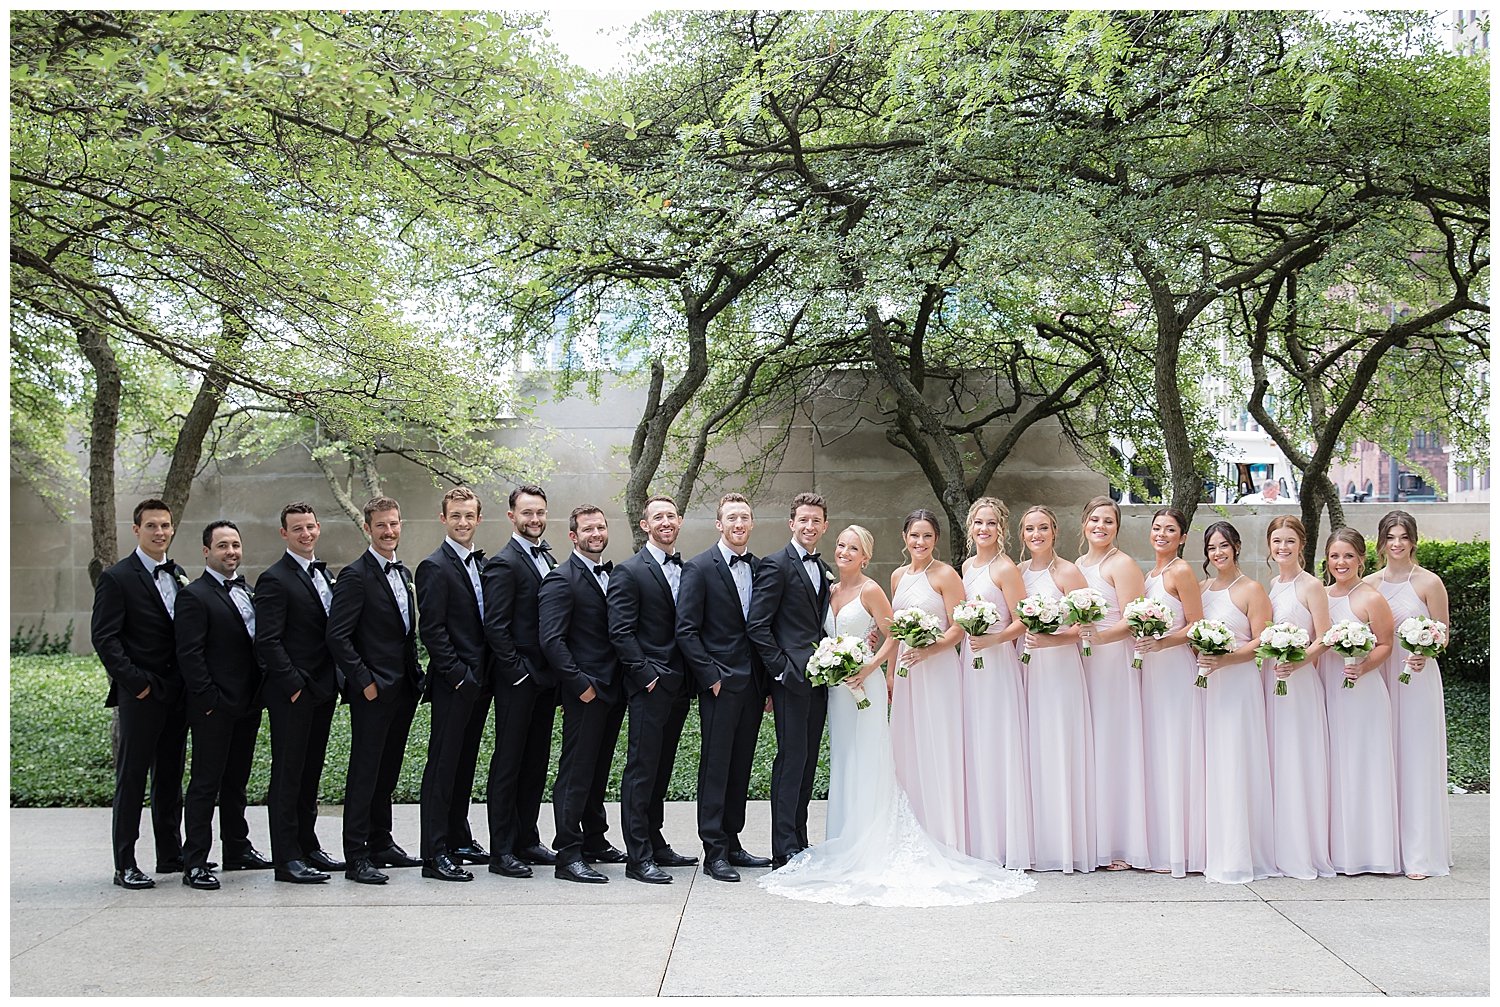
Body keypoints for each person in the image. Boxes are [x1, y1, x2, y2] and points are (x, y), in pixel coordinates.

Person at [759, 525, 1035, 907]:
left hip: (870, 681)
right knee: (844, 757)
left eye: (853, 547)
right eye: (840, 545)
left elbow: (891, 634)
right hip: (839, 688)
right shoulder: (832, 589)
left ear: (866, 556)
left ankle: (875, 836)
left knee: (871, 756)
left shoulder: (875, 588)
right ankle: (845, 836)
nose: (844, 552)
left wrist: (873, 668)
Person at [92, 498, 189, 889]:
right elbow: (104, 637)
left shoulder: (178, 572)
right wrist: (138, 683)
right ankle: (125, 863)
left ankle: (170, 854)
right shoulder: (117, 578)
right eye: (152, 526)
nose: (160, 532)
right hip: (142, 694)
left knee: (170, 774)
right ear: (137, 530)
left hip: (177, 693)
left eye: (165, 525)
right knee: (132, 778)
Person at [326, 496, 423, 884]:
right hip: (373, 691)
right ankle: (357, 855)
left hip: (402, 689)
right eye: (381, 525)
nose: (389, 531)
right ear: (367, 528)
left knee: (388, 770)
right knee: (365, 773)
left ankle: (382, 843)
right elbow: (338, 637)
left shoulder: (402, 572)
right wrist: (364, 681)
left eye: (394, 523)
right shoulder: (355, 575)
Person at [676, 493, 772, 882]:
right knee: (716, 767)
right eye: (731, 518)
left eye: (744, 518)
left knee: (740, 766)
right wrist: (710, 677)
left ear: (751, 524)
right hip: (719, 684)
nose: (738, 524)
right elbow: (686, 629)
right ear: (719, 524)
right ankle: (713, 850)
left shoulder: (762, 568)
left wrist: (765, 684)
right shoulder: (699, 568)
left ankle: (733, 842)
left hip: (752, 685)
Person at [608, 496, 699, 883]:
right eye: (657, 516)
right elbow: (620, 631)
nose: (665, 522)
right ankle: (638, 855)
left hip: (681, 684)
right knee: (642, 769)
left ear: (679, 522)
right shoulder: (629, 572)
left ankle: (656, 840)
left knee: (662, 768)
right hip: (650, 685)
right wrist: (647, 676)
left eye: (671, 516)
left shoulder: (690, 569)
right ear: (645, 525)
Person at [174, 520, 270, 890]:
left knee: (236, 781)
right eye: (222, 546)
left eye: (235, 545)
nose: (231, 552)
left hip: (248, 702)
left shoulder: (247, 590)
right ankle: (195, 860)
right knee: (205, 783)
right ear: (206, 552)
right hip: (214, 706)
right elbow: (190, 655)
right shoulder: (194, 596)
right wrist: (211, 700)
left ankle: (237, 847)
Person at [254, 502, 344, 884]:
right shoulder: (274, 579)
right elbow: (267, 641)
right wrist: (293, 686)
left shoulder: (323, 574)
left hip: (322, 690)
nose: (305, 534)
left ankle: (308, 846)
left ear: (318, 528)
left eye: (310, 527)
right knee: (288, 776)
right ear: (284, 534)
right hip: (293, 693)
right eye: (297, 529)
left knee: (310, 775)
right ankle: (286, 857)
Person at [539, 505, 628, 883]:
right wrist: (582, 686)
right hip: (587, 691)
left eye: (601, 526)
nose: (596, 532)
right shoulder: (561, 579)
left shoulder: (613, 574)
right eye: (587, 528)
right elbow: (552, 641)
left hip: (613, 689)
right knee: (575, 772)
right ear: (573, 536)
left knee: (597, 769)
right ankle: (568, 853)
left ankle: (594, 839)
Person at [746, 492, 832, 868]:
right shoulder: (775, 565)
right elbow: (757, 625)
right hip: (790, 679)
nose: (810, 526)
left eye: (816, 521)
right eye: (803, 520)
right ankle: (783, 846)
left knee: (809, 759)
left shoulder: (824, 567)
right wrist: (779, 670)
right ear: (791, 523)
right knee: (791, 758)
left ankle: (800, 836)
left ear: (824, 526)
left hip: (820, 679)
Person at [480, 484, 560, 879]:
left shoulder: (548, 556)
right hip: (518, 681)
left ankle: (528, 838)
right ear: (512, 516)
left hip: (547, 680)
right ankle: (503, 849)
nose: (535, 519)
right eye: (527, 513)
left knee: (535, 763)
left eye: (540, 512)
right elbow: (495, 628)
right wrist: (520, 672)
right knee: (509, 764)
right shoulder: (504, 563)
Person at [1366, 511, 1451, 880]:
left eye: (1403, 537)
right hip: (1379, 674)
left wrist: (1427, 649)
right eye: (1390, 537)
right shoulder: (1369, 584)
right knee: (1384, 759)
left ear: (1413, 540)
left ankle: (1419, 853)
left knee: (1414, 758)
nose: (1397, 544)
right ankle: (1383, 848)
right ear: (1381, 542)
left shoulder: (1429, 583)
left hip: (1416, 677)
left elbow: (1443, 632)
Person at [415, 486, 492, 882]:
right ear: (443, 519)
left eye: (469, 516)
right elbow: (433, 630)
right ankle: (435, 852)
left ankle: (459, 837)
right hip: (454, 683)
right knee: (443, 767)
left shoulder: (480, 564)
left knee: (463, 765)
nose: (463, 522)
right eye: (456, 516)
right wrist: (459, 675)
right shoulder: (433, 566)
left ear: (478, 519)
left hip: (480, 683)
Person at [1194, 521, 1276, 884]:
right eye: (1212, 548)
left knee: (1236, 761)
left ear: (1237, 547)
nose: (1218, 553)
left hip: (1239, 684)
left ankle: (1241, 852)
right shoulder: (1200, 590)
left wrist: (1225, 659)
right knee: (1212, 764)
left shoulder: (1252, 589)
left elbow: (1262, 641)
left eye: (1224, 546)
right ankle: (1212, 846)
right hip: (1208, 686)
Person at [1017, 505, 1096, 873]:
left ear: (1054, 532)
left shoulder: (1068, 572)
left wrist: (1049, 640)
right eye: (1030, 529)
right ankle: (1036, 840)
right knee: (1033, 751)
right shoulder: (1017, 573)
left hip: (1061, 670)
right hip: (1027, 670)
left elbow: (1084, 629)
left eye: (1043, 528)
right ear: (1022, 535)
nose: (1037, 535)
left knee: (1060, 747)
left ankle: (1065, 843)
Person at [1075, 496, 1150, 872]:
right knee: (1089, 747)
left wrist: (1099, 638)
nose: (1100, 527)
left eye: (1108, 521)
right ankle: (1091, 836)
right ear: (1084, 523)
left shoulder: (1122, 564)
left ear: (1117, 527)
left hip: (1112, 662)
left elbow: (1134, 619)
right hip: (1082, 664)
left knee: (1113, 745)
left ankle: (1120, 842)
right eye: (1094, 519)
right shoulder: (1076, 566)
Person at [958, 497, 1032, 871]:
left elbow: (1022, 621)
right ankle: (976, 834)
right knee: (974, 742)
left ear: (1001, 529)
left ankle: (1003, 839)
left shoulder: (1005, 568)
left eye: (990, 523)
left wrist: (995, 638)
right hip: (969, 663)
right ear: (970, 528)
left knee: (997, 742)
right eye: (977, 523)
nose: (983, 529)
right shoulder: (967, 567)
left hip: (998, 662)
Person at [888, 508, 968, 849]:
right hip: (908, 672)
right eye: (915, 535)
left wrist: (931, 648)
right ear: (905, 538)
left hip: (938, 669)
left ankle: (944, 831)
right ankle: (912, 823)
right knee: (908, 743)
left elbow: (959, 628)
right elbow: (893, 631)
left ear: (936, 539)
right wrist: (891, 674)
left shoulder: (946, 575)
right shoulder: (897, 577)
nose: (920, 542)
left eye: (927, 536)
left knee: (939, 740)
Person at [1322, 528, 1399, 875]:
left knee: (1362, 764)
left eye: (1349, 556)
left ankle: (1372, 850)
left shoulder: (1370, 597)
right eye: (1335, 556)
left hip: (1362, 691)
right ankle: (1338, 849)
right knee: (1333, 765)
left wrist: (1364, 666)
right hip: (1326, 686)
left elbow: (1385, 644)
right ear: (1327, 559)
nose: (1341, 562)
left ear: (1362, 560)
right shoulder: (1321, 596)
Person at [1136, 507, 1206, 878]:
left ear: (1182, 537)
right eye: (1157, 528)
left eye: (1170, 530)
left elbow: (1196, 625)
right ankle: (1159, 843)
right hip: (1150, 673)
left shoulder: (1180, 571)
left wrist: (1163, 644)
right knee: (1156, 753)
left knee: (1176, 752)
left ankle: (1181, 849)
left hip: (1174, 669)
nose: (1162, 534)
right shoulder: (1149, 576)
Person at [1263, 515, 1334, 880]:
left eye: (1289, 541)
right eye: (1277, 541)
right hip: (1271, 682)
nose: (1283, 548)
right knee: (1276, 761)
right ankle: (1276, 843)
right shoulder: (1272, 584)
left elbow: (1323, 637)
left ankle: (1301, 848)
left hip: (1299, 682)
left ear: (1301, 544)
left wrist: (1296, 662)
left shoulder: (1312, 586)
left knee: (1296, 759)